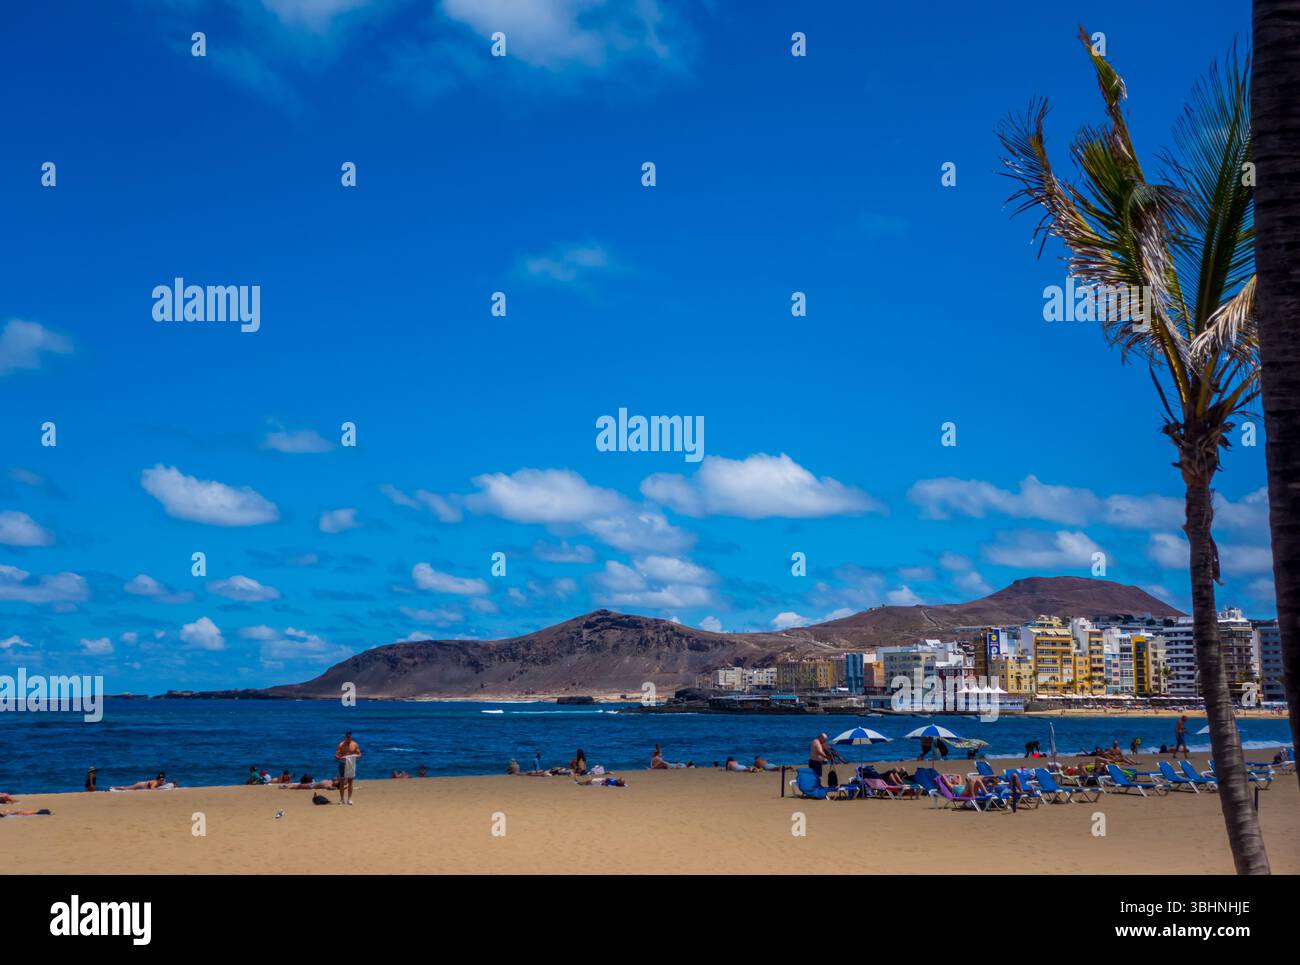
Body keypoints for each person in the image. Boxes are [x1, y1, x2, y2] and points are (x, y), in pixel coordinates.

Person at [335, 731, 361, 805]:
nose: (349, 739)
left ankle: (349, 799)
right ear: (345, 737)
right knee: (342, 782)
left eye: (350, 737)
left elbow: (359, 754)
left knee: (350, 782)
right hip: (343, 764)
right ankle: (342, 799)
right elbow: (336, 755)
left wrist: (354, 756)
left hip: (351, 765)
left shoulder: (354, 744)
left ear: (351, 737)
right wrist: (341, 758)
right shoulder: (341, 745)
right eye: (347, 737)